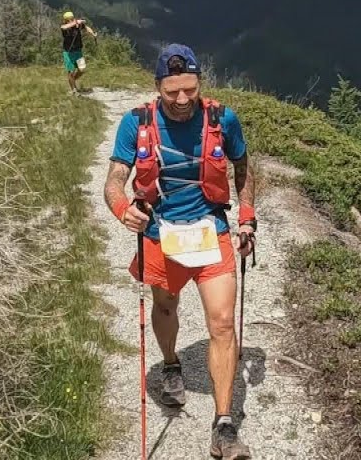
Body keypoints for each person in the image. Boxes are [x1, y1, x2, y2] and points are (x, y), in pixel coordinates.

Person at [103, 43, 257, 460]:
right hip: (160, 234)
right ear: (158, 87)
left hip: (211, 230)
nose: (183, 99)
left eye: (190, 88)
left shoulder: (222, 118)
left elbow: (242, 169)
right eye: (173, 92)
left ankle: (224, 426)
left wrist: (246, 218)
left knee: (223, 323)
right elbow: (115, 181)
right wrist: (123, 209)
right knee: (166, 307)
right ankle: (171, 363)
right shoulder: (136, 123)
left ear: (199, 83)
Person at [60, 10, 97, 93]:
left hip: (78, 51)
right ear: (66, 20)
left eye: (72, 18)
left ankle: (73, 80)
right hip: (68, 53)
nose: (71, 20)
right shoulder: (65, 27)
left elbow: (86, 27)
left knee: (82, 69)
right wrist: (77, 21)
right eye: (69, 19)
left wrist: (92, 33)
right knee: (71, 71)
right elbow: (63, 27)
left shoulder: (77, 25)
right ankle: (74, 90)